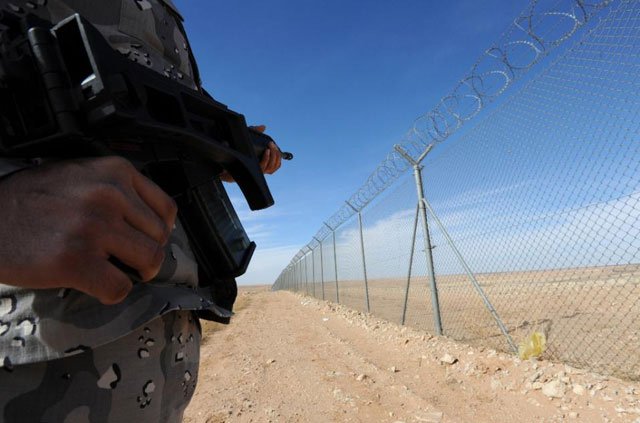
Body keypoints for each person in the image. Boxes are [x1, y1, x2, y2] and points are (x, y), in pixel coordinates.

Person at [0, 0, 282, 421]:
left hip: (163, 337)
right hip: (39, 346)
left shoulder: (167, 16)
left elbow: (162, 110)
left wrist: (228, 150)